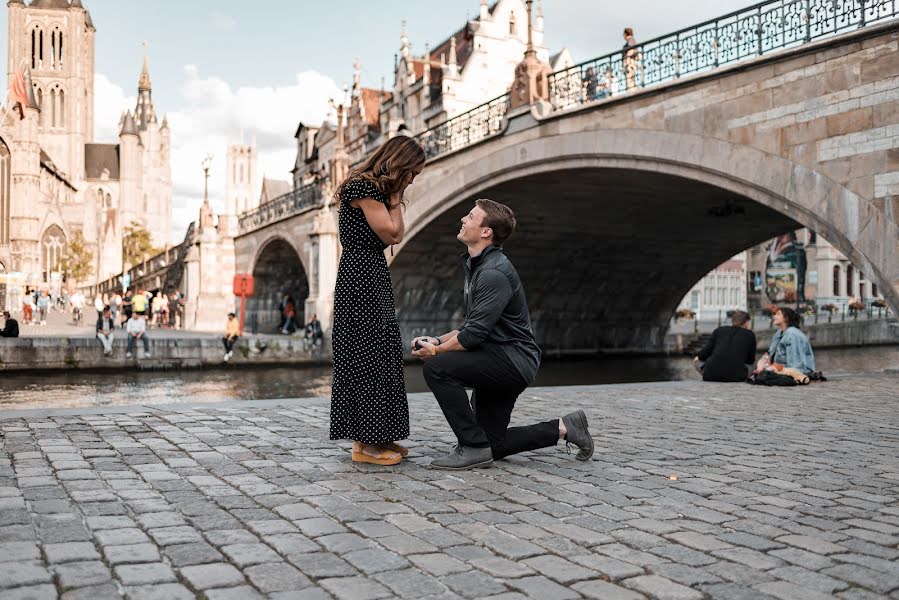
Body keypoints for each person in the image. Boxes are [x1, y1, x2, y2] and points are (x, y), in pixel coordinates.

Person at [411, 199, 594, 470]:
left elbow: (472, 336)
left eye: (471, 216)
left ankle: (472, 446)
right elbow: (471, 326)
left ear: (486, 232)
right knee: (492, 445)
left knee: (438, 369)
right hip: (498, 356)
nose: (463, 219)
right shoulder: (479, 267)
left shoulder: (493, 272)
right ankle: (566, 427)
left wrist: (436, 352)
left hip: (511, 360)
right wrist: (438, 340)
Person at [330, 135, 426, 466]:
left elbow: (396, 232)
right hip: (359, 276)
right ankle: (364, 444)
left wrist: (395, 198)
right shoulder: (362, 189)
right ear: (399, 163)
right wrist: (397, 197)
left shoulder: (378, 193)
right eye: (412, 172)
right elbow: (393, 233)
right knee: (365, 352)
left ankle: (379, 435)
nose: (412, 179)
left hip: (373, 273)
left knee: (381, 351)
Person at [693, 310, 757, 382]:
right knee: (755, 364)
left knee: (697, 360)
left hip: (710, 375)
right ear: (746, 323)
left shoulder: (719, 330)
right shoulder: (750, 334)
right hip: (737, 376)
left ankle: (714, 373)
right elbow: (750, 360)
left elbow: (704, 354)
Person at [758, 307, 815, 375]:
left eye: (778, 314)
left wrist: (774, 368)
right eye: (775, 314)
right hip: (780, 370)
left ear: (786, 318)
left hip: (798, 374)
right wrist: (763, 362)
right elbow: (770, 354)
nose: (774, 316)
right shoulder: (779, 332)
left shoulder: (793, 335)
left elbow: (796, 366)